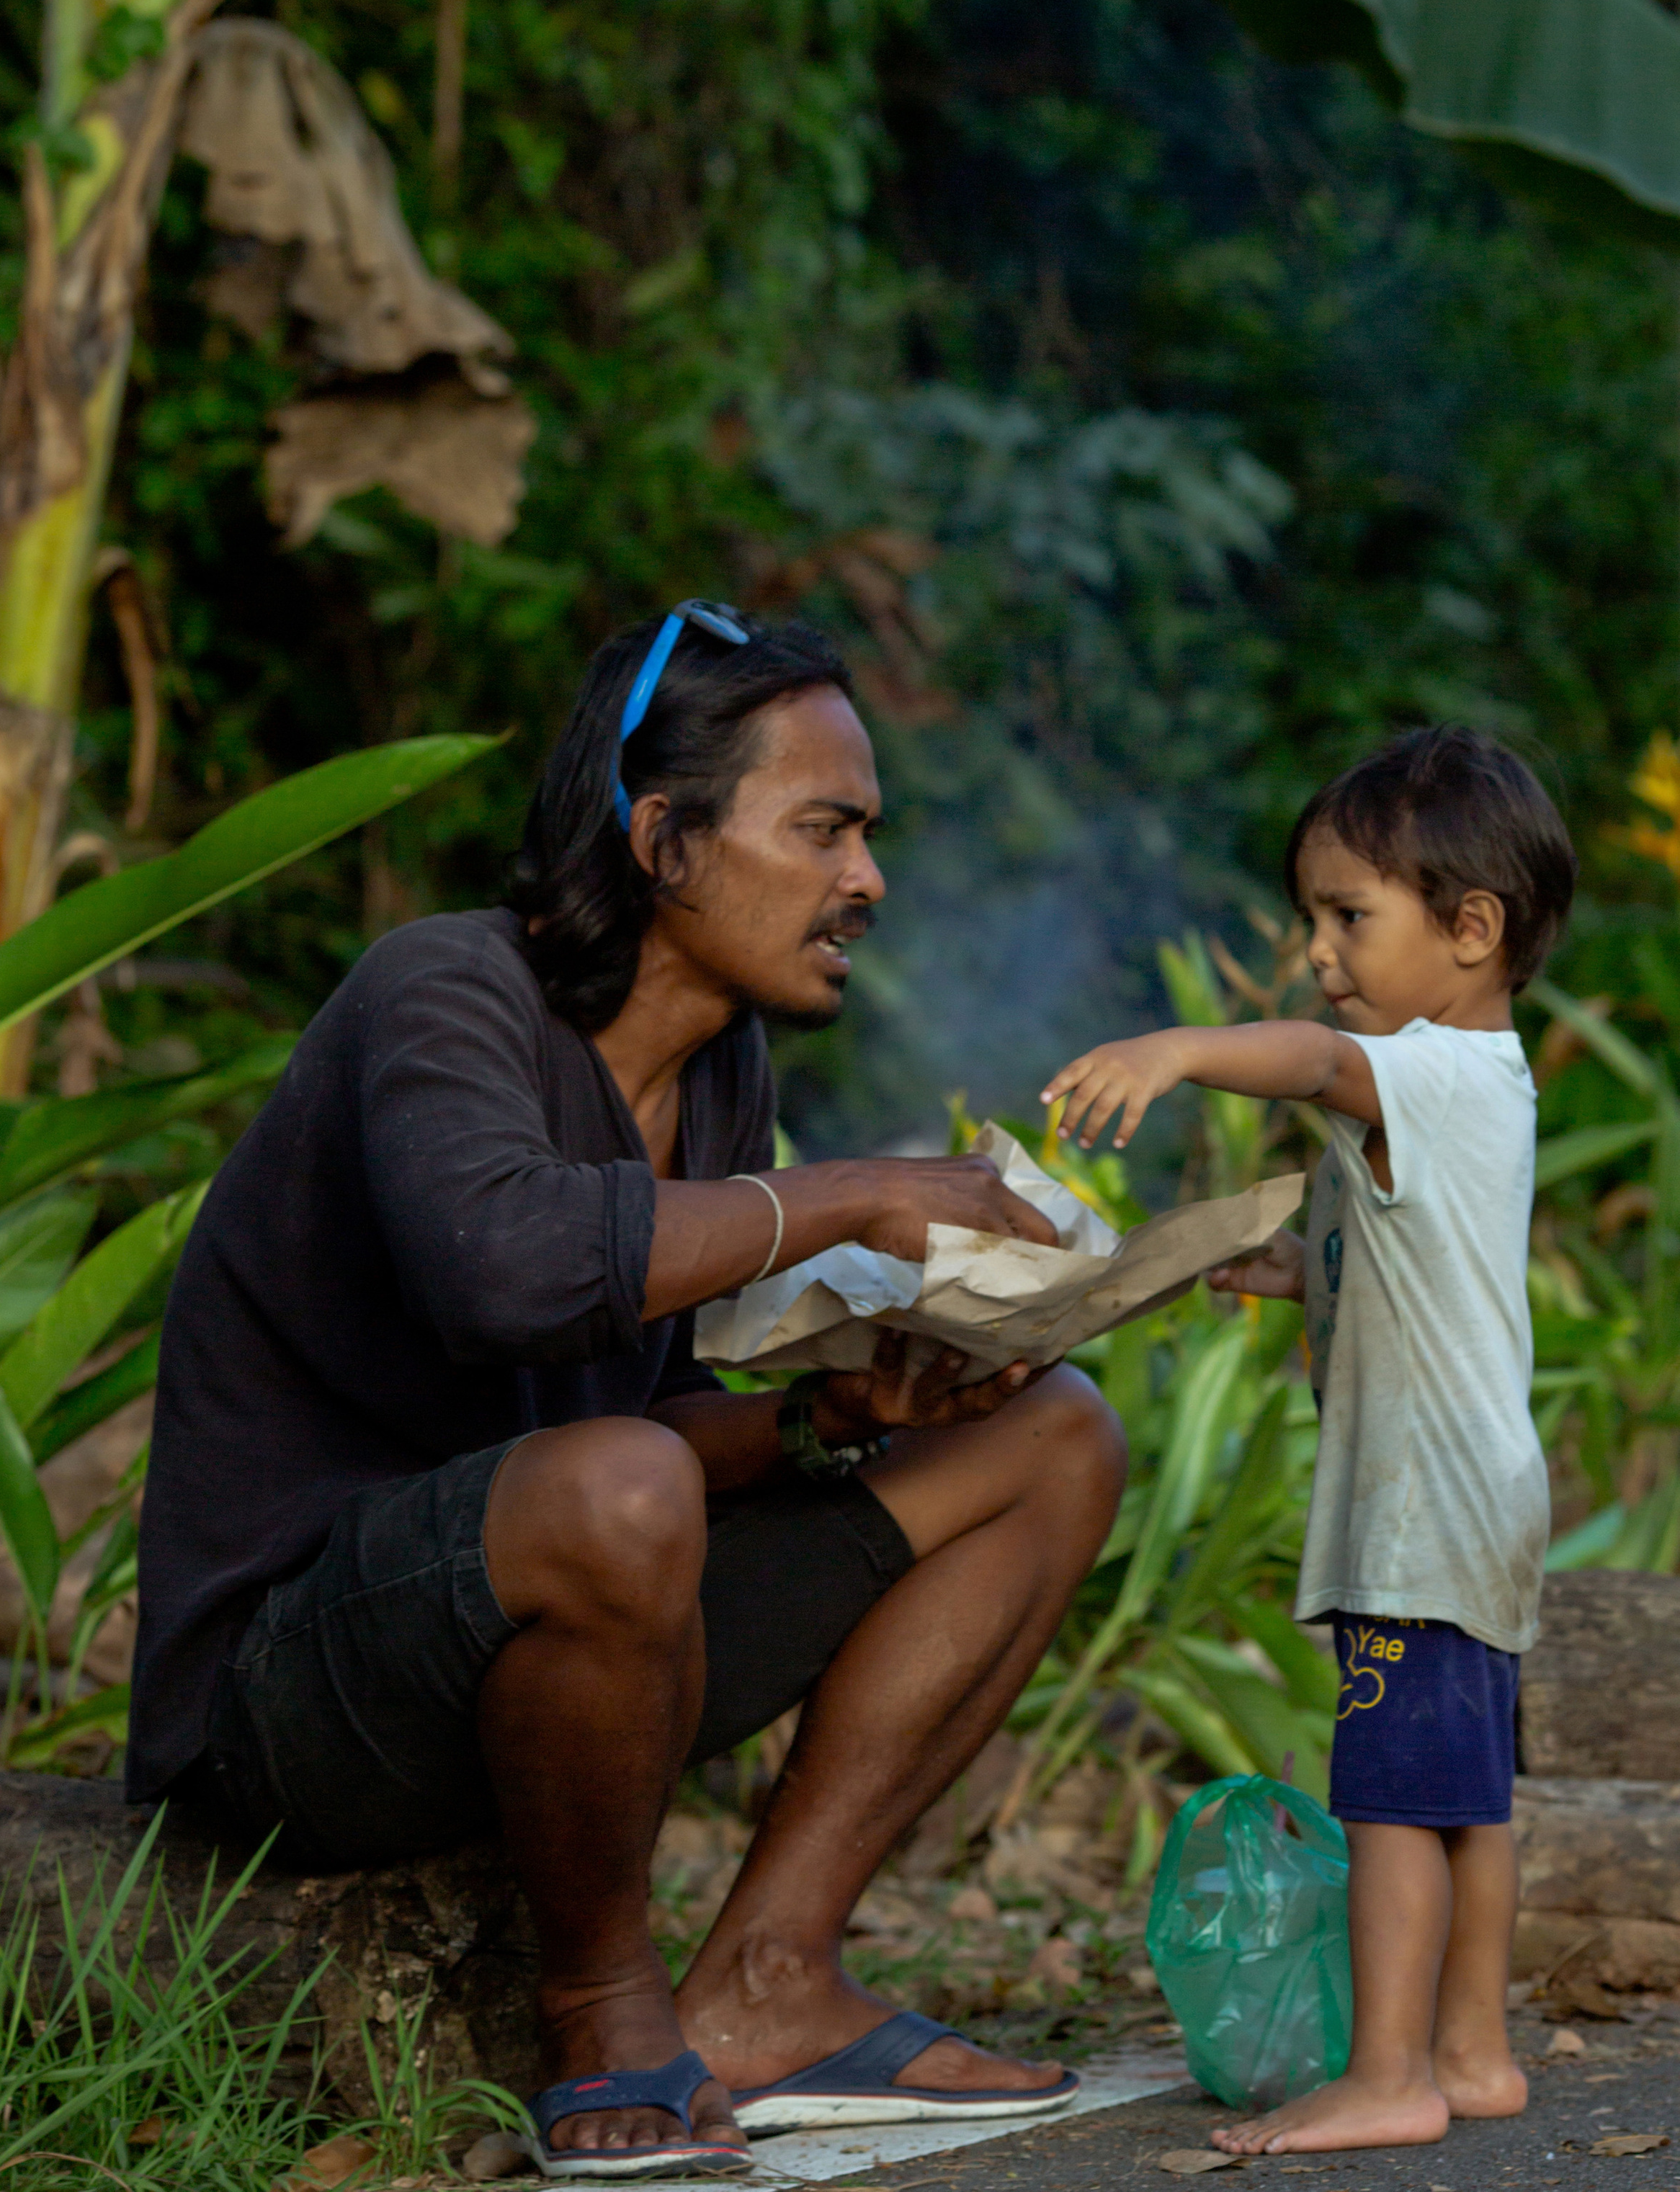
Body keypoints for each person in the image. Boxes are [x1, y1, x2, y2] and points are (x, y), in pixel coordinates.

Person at [130, 601, 1128, 2180]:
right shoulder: (440, 993)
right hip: (294, 1695)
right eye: (823, 831)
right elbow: (507, 1274)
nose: (863, 880)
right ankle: (600, 2009)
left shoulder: (719, 1071)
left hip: (566, 1634)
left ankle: (767, 1987)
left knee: (1051, 1436)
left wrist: (832, 1419)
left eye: (865, 837)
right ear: (663, 841)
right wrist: (853, 1195)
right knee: (613, 1488)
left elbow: (650, 1425)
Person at [1042, 727, 1576, 2157]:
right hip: (1472, 1495)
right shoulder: (1467, 1092)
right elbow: (1422, 1259)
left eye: (1349, 916)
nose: (1319, 950)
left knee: (1391, 1798)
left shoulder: (1432, 1075)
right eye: (1311, 919)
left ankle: (1388, 2070)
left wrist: (1176, 1049)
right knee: (1463, 1796)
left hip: (1418, 1514)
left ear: (1471, 931)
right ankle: (1468, 2053)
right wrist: (1292, 1275)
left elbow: (1309, 1061)